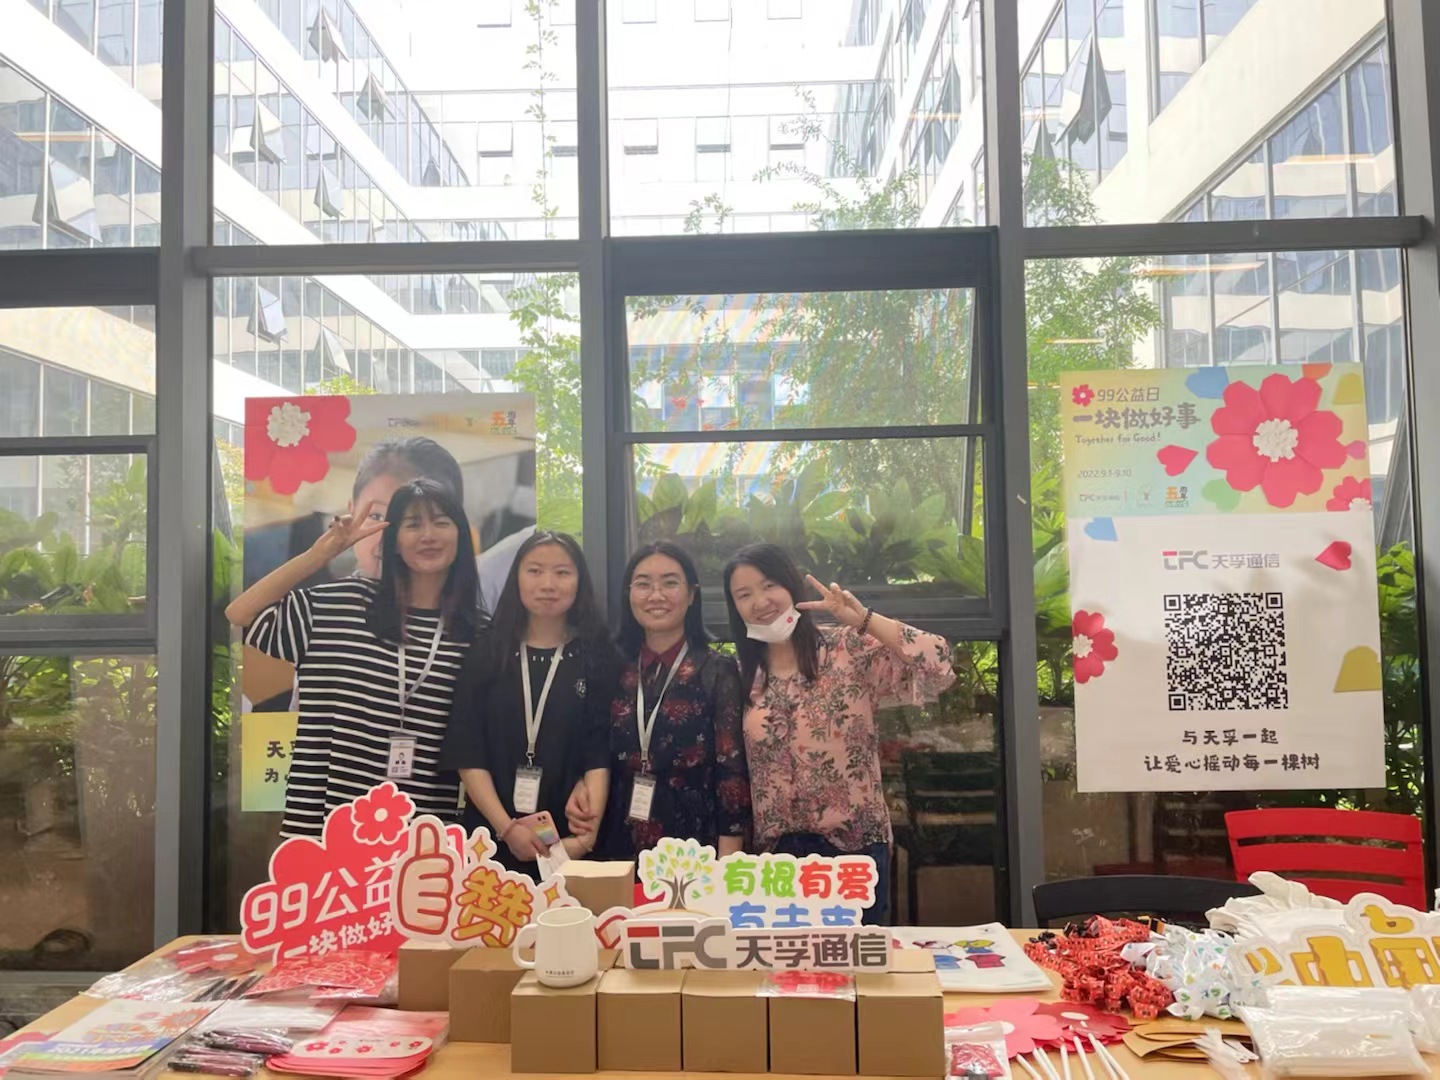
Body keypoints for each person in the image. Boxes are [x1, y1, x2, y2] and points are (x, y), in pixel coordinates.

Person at [225, 479, 482, 837]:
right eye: (413, 524)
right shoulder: (342, 603)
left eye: (441, 522)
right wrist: (320, 554)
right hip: (323, 827)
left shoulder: (477, 633)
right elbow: (241, 613)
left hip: (424, 834)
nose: (428, 535)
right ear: (393, 541)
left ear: (460, 535)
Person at [722, 542, 955, 925]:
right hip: (777, 858)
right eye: (744, 595)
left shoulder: (847, 649)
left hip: (853, 850)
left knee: (854, 960)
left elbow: (938, 663)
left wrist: (862, 618)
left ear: (790, 586)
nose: (760, 602)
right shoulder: (739, 674)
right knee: (789, 961)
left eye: (768, 586)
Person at [440, 531, 618, 878]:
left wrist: (585, 839)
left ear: (580, 581)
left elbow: (599, 751)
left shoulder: (598, 656)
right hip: (490, 838)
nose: (548, 584)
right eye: (534, 571)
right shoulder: (487, 652)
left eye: (562, 573)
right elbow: (467, 751)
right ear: (516, 578)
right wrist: (507, 829)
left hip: (568, 840)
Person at [567, 542, 750, 861]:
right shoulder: (611, 666)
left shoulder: (717, 670)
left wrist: (727, 864)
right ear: (628, 594)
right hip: (616, 843)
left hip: (694, 847)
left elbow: (730, 772)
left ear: (691, 595)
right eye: (643, 584)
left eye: (670, 582)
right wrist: (581, 781)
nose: (656, 595)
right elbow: (593, 744)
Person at [347, 438, 466, 580]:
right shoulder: (335, 594)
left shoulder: (482, 588)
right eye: (376, 517)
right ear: (352, 514)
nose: (388, 537)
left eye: (414, 523)